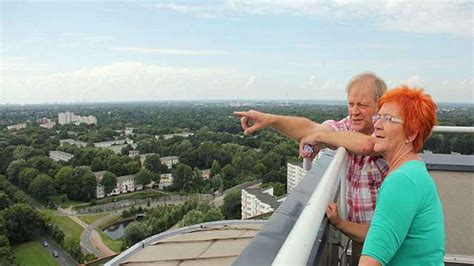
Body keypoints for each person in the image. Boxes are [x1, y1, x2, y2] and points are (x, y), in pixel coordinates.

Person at [234, 72, 389, 264]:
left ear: (379, 105)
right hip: (363, 237)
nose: (354, 111)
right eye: (351, 104)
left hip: (390, 238)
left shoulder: (387, 129)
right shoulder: (349, 127)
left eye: (362, 105)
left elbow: (368, 145)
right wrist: (269, 120)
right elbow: (309, 128)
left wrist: (321, 138)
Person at [301, 86, 445, 265]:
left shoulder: (401, 182)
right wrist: (339, 223)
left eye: (389, 119)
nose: (377, 124)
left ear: (411, 134)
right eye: (380, 116)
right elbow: (381, 233)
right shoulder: (413, 169)